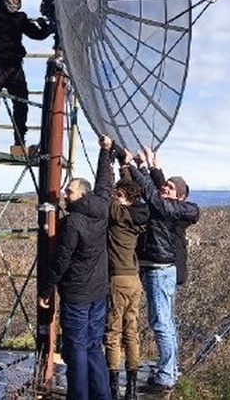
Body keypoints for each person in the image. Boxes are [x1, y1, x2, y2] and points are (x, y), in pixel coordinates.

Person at [38, 135, 114, 399]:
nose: (64, 194)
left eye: (69, 191)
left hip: (77, 295)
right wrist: (105, 152)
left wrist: (47, 289)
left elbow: (62, 259)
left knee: (76, 348)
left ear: (82, 194)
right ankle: (102, 395)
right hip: (98, 292)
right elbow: (105, 182)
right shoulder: (102, 208)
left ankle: (79, 395)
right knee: (93, 345)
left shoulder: (74, 222)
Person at [127, 147, 199, 393]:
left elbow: (154, 196)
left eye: (170, 187)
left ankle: (166, 376)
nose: (164, 188)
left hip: (159, 271)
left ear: (180, 197)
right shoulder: (168, 206)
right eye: (164, 185)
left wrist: (133, 167)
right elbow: (157, 191)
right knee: (166, 322)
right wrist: (151, 167)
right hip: (158, 270)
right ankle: (170, 370)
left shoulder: (172, 209)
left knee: (161, 324)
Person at [0, 0, 52, 154]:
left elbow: (36, 34)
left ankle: (19, 141)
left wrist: (46, 27)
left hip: (15, 66)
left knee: (21, 104)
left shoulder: (20, 17)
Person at [105, 148, 149, 400]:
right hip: (134, 280)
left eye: (120, 196)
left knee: (113, 332)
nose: (116, 197)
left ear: (127, 200)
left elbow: (107, 192)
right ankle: (131, 389)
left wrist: (108, 162)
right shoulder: (135, 218)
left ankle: (113, 387)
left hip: (118, 279)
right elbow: (127, 193)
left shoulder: (119, 215)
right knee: (131, 332)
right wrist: (125, 167)